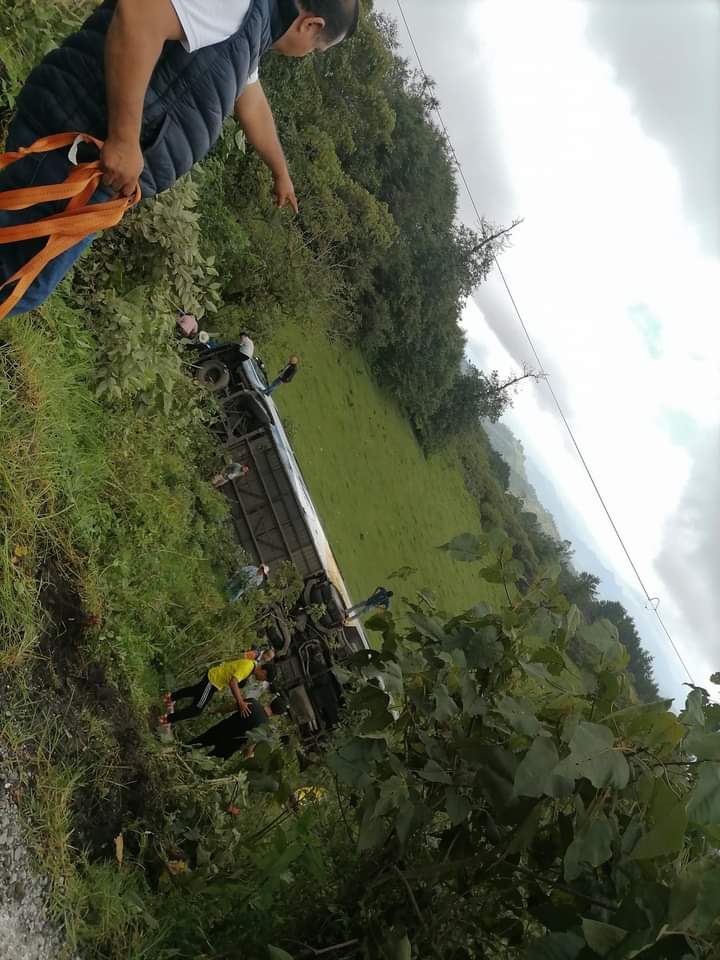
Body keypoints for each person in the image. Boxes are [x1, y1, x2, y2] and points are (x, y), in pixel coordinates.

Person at [0, 0, 360, 316]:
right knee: (12, 277)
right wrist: (125, 139)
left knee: (18, 282)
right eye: (315, 50)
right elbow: (139, 14)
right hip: (75, 146)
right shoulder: (238, 5)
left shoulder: (250, 29)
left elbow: (251, 101)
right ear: (312, 25)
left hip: (91, 169)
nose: (305, 54)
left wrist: (281, 172)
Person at [160, 658, 275, 725]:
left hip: (214, 677)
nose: (261, 681)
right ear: (264, 672)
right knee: (196, 709)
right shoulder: (248, 667)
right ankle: (167, 719)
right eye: (264, 679)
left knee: (195, 691)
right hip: (213, 681)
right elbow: (233, 682)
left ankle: (170, 698)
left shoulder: (251, 664)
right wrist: (240, 702)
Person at [190, 696, 288, 759]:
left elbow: (229, 707)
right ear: (277, 714)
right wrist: (247, 756)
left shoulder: (252, 702)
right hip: (230, 745)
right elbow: (251, 745)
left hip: (222, 729)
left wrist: (215, 711)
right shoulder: (265, 728)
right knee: (208, 760)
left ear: (271, 701)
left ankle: (181, 750)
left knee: (199, 741)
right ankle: (191, 766)